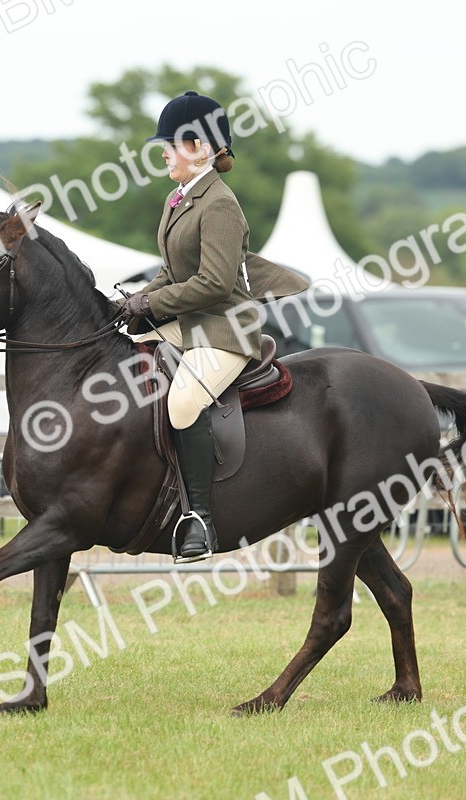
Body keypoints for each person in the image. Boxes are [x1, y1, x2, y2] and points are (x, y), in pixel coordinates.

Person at [120, 91, 308, 563]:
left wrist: (154, 300)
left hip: (225, 328)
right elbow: (173, 272)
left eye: (171, 144)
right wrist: (128, 304)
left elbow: (213, 282)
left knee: (183, 403)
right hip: (189, 322)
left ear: (201, 149)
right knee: (124, 353)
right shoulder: (179, 197)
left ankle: (199, 519)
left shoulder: (220, 204)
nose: (162, 152)